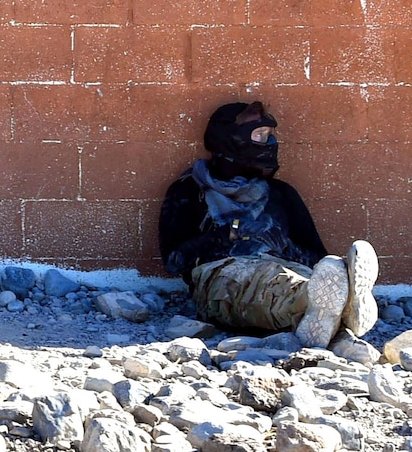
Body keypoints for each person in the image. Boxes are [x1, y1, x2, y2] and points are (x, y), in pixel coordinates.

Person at [157, 101, 378, 346]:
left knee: (309, 275)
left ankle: (329, 309)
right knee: (269, 283)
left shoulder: (281, 194)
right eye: (260, 135)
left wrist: (284, 244)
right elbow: (174, 262)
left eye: (269, 135)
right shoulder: (189, 190)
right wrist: (229, 234)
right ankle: (332, 308)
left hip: (285, 265)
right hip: (222, 275)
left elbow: (319, 260)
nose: (269, 143)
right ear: (232, 139)